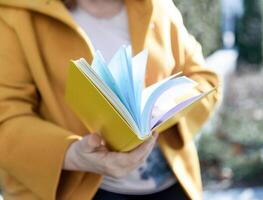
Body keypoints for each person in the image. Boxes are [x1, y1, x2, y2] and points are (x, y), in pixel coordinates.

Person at [0, 0, 220, 199]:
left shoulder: (157, 6)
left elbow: (205, 79)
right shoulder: (17, 14)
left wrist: (164, 107)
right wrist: (73, 154)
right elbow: (7, 119)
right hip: (80, 191)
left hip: (172, 185)